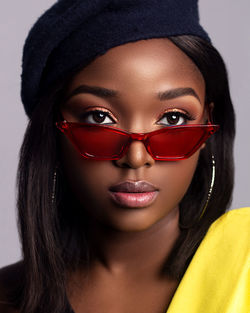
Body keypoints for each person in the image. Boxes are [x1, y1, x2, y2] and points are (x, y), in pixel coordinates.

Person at [0, 1, 249, 312]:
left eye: (173, 119)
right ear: (53, 130)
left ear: (208, 126)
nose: (135, 157)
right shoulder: (6, 297)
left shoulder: (245, 265)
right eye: (98, 118)